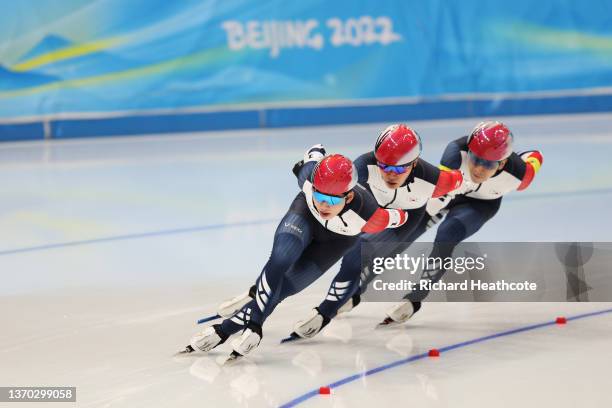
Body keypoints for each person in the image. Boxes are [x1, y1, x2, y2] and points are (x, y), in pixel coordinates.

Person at [183, 145, 409, 360]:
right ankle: (251, 325)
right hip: (304, 218)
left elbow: (401, 217)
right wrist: (316, 156)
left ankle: (226, 328)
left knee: (286, 288)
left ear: (348, 197)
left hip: (335, 242)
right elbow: (315, 151)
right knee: (280, 260)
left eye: (332, 200)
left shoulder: (371, 216)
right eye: (320, 197)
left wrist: (402, 216)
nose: (324, 205)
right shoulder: (308, 176)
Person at [283, 124, 463, 341]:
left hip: (407, 218)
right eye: (384, 166)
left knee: (368, 254)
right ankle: (342, 299)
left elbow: (467, 181)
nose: (390, 174)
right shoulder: (363, 166)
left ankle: (325, 312)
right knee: (353, 252)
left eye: (398, 169)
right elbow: (333, 186)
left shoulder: (435, 179)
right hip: (373, 212)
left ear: (414, 164)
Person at [377, 120, 544, 325]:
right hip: (450, 192)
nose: (479, 169)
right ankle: (356, 287)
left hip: (479, 206)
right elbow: (436, 198)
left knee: (448, 233)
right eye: (475, 159)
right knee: (409, 229)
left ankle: (415, 299)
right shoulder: (455, 153)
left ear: (502, 163)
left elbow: (536, 155)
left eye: (489, 164)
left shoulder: (519, 175)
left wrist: (527, 158)